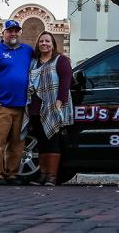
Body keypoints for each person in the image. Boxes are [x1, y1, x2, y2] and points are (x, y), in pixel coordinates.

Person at [0, 20, 33, 186]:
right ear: (3, 33)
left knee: (17, 144)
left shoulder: (27, 51)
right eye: (10, 31)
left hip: (22, 107)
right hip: (1, 106)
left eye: (16, 31)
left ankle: (11, 174)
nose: (13, 34)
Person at [22, 31, 73, 186]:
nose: (44, 43)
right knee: (42, 142)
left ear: (53, 44)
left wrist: (58, 104)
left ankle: (51, 177)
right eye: (42, 41)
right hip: (34, 109)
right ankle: (42, 176)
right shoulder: (33, 63)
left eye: (47, 41)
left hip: (52, 107)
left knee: (52, 141)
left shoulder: (61, 60)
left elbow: (65, 83)